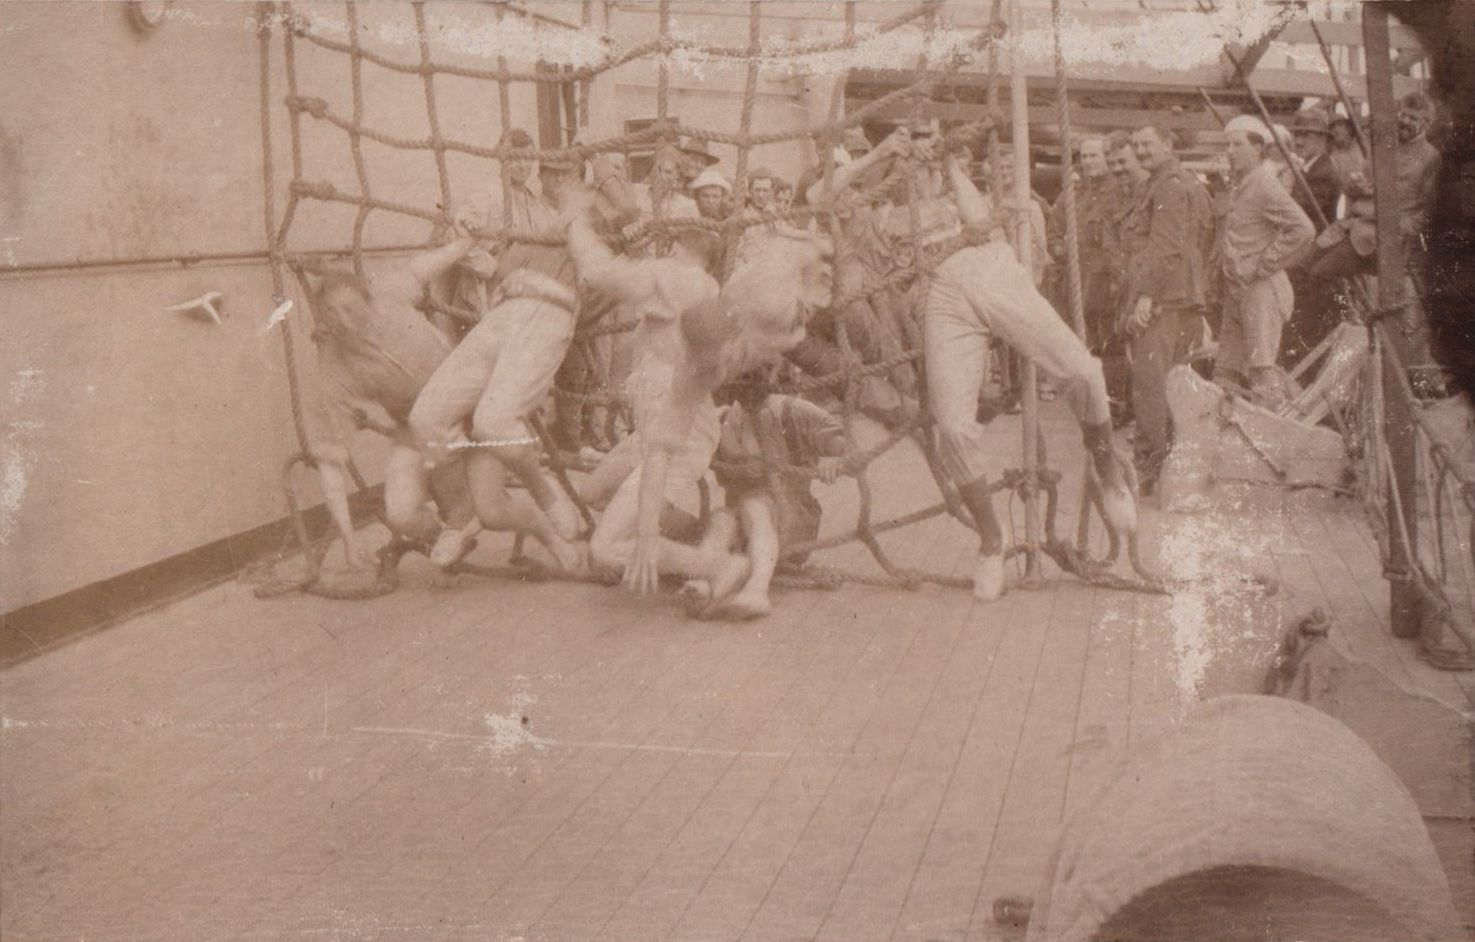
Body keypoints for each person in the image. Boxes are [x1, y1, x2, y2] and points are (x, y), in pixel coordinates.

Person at [816, 125, 1137, 601]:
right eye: (917, 138)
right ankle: (991, 540)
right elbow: (821, 196)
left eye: (931, 136)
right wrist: (884, 154)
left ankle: (1109, 474)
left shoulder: (958, 186)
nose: (923, 147)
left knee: (1084, 371)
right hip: (935, 297)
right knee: (953, 427)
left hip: (988, 267)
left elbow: (981, 226)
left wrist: (945, 163)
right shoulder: (877, 205)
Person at [407, 143, 589, 574]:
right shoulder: (516, 206)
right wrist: (487, 256)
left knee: (494, 420)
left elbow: (616, 236)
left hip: (551, 310)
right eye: (551, 173)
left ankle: (545, 493)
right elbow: (472, 243)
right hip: (499, 310)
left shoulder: (584, 215)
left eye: (567, 175)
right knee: (427, 416)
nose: (555, 181)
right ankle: (460, 515)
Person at [302, 225, 487, 571]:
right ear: (322, 317)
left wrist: (467, 242)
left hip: (469, 398)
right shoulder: (334, 367)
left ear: (367, 300)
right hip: (417, 427)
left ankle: (461, 516)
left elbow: (424, 267)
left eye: (352, 309)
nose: (346, 321)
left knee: (452, 438)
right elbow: (330, 461)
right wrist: (349, 539)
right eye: (333, 314)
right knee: (400, 513)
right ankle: (447, 539)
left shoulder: (388, 293)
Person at [699, 370, 849, 619]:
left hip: (793, 522)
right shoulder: (721, 420)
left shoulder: (794, 412)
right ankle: (706, 582)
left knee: (754, 506)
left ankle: (757, 591)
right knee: (720, 519)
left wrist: (834, 463)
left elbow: (847, 445)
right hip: (743, 532)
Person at [1118, 123, 1214, 495]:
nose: (1141, 152)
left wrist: (1146, 297)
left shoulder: (1169, 187)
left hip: (1162, 303)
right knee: (1174, 388)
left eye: (1148, 145)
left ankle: (1149, 472)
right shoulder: (1177, 184)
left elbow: (1165, 247)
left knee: (1151, 389)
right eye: (1137, 145)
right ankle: (1172, 469)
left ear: (1168, 144)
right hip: (1180, 300)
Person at [1213, 116, 1315, 409]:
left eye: (1238, 144)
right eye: (1227, 145)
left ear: (1258, 149)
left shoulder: (1265, 184)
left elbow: (1303, 229)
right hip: (1238, 289)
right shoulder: (1242, 184)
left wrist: (1264, 263)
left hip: (1262, 290)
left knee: (1261, 369)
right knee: (1226, 368)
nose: (1230, 151)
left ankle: (1277, 433)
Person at [1290, 108, 1341, 231]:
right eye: (1297, 135)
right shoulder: (1310, 166)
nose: (1298, 141)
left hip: (1315, 240)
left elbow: (1300, 212)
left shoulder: (1323, 173)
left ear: (1322, 138)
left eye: (1306, 135)